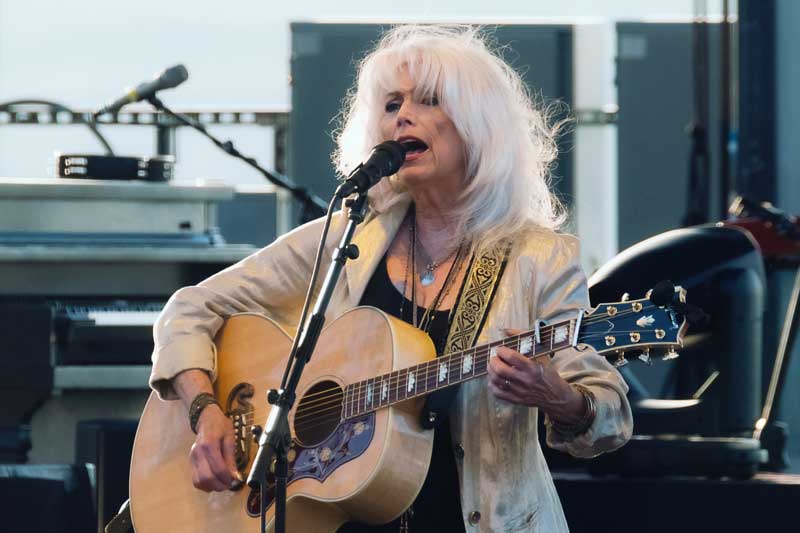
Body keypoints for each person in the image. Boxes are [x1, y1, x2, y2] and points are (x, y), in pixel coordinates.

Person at [149, 25, 632, 532]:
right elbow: (190, 308)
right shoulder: (344, 240)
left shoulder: (541, 258)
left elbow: (609, 417)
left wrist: (558, 397)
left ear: (479, 123)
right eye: (391, 103)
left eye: (428, 100)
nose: (403, 115)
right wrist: (206, 411)